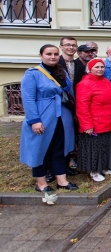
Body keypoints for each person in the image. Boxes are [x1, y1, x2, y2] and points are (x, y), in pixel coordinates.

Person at [20, 44, 78, 193]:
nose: (52, 57)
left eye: (55, 54)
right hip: (43, 115)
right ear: (41, 56)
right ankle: (41, 183)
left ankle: (62, 181)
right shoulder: (32, 74)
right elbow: (28, 99)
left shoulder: (61, 72)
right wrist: (34, 120)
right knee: (40, 149)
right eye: (48, 54)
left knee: (59, 148)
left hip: (61, 116)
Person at [76, 58, 111, 182]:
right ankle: (94, 171)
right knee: (95, 148)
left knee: (107, 146)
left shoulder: (106, 81)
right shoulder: (84, 84)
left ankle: (104, 167)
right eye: (97, 67)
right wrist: (87, 125)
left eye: (102, 67)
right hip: (96, 123)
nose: (100, 69)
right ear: (90, 69)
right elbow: (82, 106)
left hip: (110, 121)